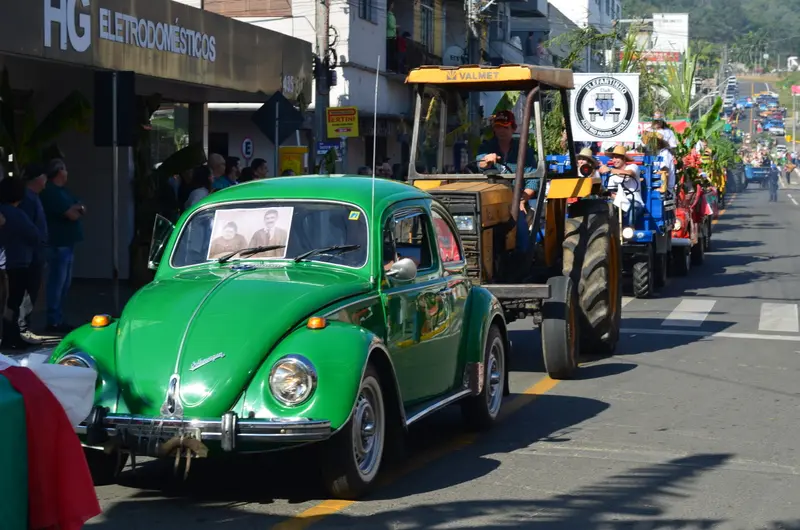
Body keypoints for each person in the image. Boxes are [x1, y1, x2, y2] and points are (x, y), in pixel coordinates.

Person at [39, 159, 85, 333]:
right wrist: (75, 209)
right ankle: (53, 320)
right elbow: (72, 214)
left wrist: (76, 208)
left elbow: (80, 207)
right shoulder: (50, 192)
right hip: (58, 244)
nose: (67, 173)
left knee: (64, 283)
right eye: (64, 169)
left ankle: (58, 318)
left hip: (67, 243)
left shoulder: (63, 191)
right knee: (57, 282)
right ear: (58, 172)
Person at [0, 177, 42, 349]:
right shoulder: (17, 215)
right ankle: (11, 337)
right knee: (14, 304)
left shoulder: (2, 212)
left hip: (3, 263)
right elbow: (34, 235)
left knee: (6, 303)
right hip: (17, 264)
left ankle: (8, 336)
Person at [17, 163, 49, 345]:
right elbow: (27, 228)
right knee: (27, 292)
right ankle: (23, 329)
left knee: (29, 291)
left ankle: (23, 327)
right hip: (31, 254)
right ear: (38, 179)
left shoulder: (32, 197)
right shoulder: (28, 199)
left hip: (34, 252)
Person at [599, 145, 643, 227]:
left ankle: (630, 229)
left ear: (624, 159)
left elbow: (629, 174)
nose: (614, 160)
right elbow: (612, 192)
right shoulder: (612, 175)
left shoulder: (633, 167)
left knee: (632, 207)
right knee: (606, 208)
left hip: (634, 201)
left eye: (617, 157)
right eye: (613, 157)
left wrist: (610, 169)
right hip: (619, 201)